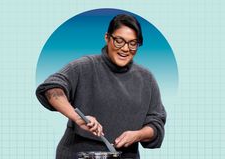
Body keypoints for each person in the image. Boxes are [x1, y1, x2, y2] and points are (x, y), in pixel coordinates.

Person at [36, 14, 166, 159]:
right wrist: (77, 117)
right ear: (107, 38)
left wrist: (137, 135)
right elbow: (51, 88)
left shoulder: (146, 78)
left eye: (132, 43)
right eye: (119, 41)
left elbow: (156, 123)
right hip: (77, 154)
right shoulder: (85, 66)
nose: (125, 48)